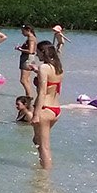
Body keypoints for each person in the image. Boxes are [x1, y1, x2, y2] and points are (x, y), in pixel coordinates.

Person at [30, 39, 64, 169]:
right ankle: (40, 168)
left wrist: (36, 114)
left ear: (42, 52)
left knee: (44, 146)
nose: (36, 54)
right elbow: (52, 85)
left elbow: (42, 92)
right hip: (55, 108)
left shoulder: (44, 68)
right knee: (37, 141)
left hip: (44, 108)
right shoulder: (58, 67)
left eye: (38, 52)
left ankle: (45, 176)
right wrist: (37, 71)